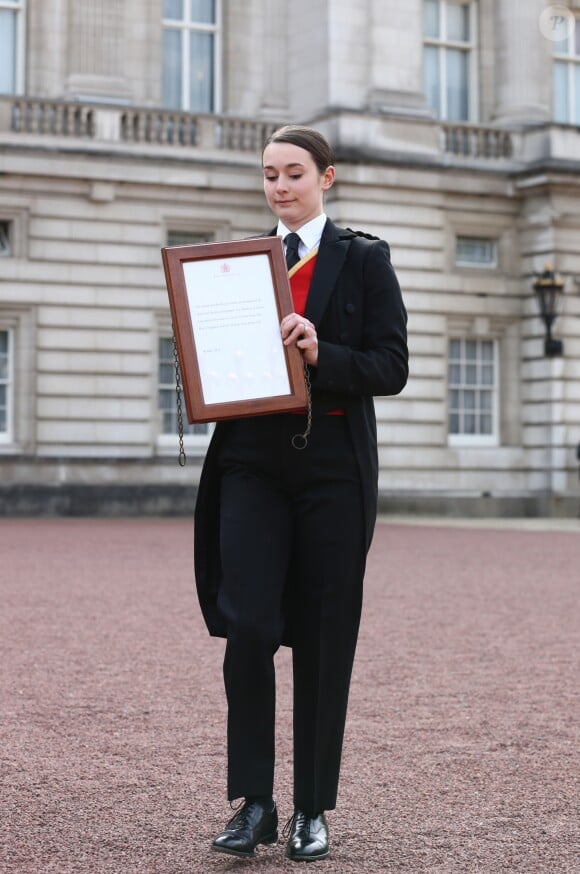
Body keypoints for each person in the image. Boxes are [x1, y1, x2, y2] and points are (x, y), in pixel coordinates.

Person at [193, 125, 408, 862]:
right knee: (247, 625)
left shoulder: (366, 259)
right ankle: (254, 803)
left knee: (323, 636)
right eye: (269, 175)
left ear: (327, 177)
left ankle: (312, 808)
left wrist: (326, 352)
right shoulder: (235, 265)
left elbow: (391, 365)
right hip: (250, 461)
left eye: (292, 173)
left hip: (332, 467)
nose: (279, 186)